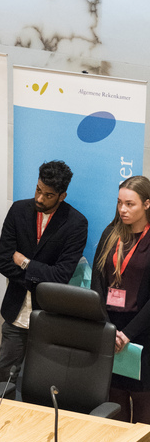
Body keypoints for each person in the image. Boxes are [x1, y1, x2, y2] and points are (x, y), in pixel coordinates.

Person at [0, 160, 88, 382]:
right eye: (38, 190)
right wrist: (39, 275)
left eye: (48, 195)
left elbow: (61, 276)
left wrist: (25, 263)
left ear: (62, 196)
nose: (39, 198)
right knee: (4, 377)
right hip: (15, 314)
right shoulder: (18, 210)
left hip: (50, 318)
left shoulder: (76, 223)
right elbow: (3, 262)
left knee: (42, 383)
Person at [92, 175, 150, 424]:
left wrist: (127, 334)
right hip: (110, 330)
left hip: (142, 335)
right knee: (115, 409)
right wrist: (109, 329)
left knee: (143, 409)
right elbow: (97, 283)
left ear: (147, 204)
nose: (123, 210)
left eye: (130, 204)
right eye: (119, 203)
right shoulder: (110, 233)